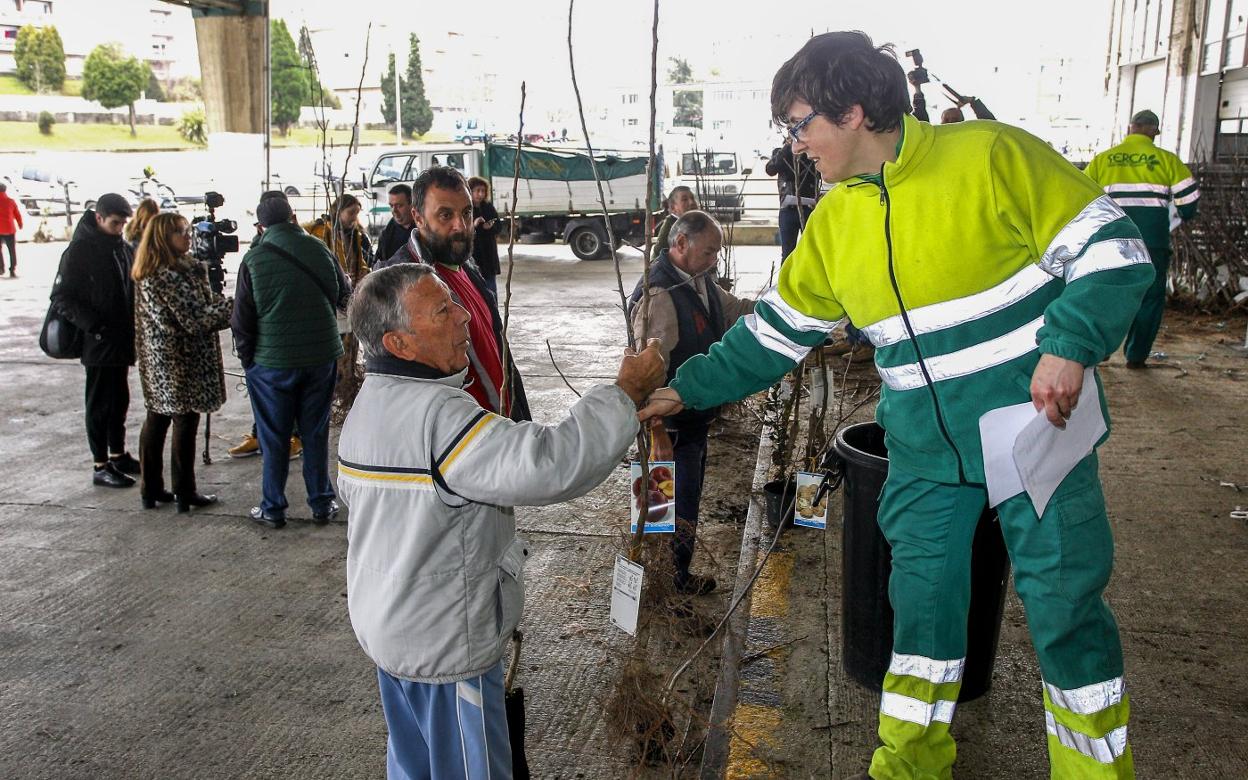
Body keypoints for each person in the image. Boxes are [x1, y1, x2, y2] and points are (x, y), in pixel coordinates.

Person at [640, 32, 1153, 779]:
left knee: (1066, 612)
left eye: (799, 122)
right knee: (920, 619)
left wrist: (1071, 344)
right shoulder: (835, 224)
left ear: (852, 112)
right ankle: (909, 765)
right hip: (923, 454)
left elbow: (1115, 251)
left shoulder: (992, 157)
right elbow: (770, 337)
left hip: (1037, 430)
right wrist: (684, 387)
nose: (795, 142)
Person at [338, 263, 667, 780]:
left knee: (415, 766)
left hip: (391, 632)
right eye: (443, 310)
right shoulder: (439, 417)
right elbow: (552, 464)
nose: (465, 317)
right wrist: (624, 393)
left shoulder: (368, 408)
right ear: (399, 343)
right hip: (444, 647)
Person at [629, 211, 754, 595]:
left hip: (691, 419)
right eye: (710, 251)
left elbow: (733, 310)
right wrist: (656, 432)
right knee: (667, 506)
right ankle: (664, 586)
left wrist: (784, 313)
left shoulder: (697, 280)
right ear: (680, 244)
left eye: (718, 252)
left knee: (684, 500)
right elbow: (647, 369)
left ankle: (675, 578)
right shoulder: (660, 295)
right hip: (669, 427)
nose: (715, 258)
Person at [231, 195, 351, 528]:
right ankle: (322, 503)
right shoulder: (319, 249)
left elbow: (241, 321)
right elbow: (344, 294)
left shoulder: (254, 260)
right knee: (315, 432)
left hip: (272, 364)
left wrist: (249, 362)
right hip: (321, 356)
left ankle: (273, 507)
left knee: (274, 437)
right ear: (294, 217)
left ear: (260, 226)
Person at [374, 165, 531, 422]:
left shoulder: (467, 268)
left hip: (503, 432)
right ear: (419, 216)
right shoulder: (400, 285)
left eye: (467, 213)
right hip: (462, 445)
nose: (461, 226)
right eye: (445, 215)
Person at [1085, 109, 1200, 369]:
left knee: (1105, 291)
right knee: (1149, 296)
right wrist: (1182, 213)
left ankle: (1100, 348)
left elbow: (1081, 196)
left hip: (1109, 241)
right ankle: (1136, 355)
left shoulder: (1104, 160)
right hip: (1152, 241)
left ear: (1131, 128)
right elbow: (1189, 200)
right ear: (1155, 132)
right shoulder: (1167, 160)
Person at [132, 212, 232, 512]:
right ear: (163, 237)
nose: (187, 236)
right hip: (176, 360)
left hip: (166, 359)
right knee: (183, 419)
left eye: (187, 230)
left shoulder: (177, 268)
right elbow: (193, 319)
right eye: (180, 232)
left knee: (159, 418)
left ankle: (152, 489)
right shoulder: (164, 274)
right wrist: (233, 309)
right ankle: (183, 492)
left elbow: (201, 307)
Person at [50, 193, 141, 488]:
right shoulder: (80, 251)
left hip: (120, 340)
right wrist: (95, 327)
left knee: (120, 400)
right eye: (115, 223)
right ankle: (100, 463)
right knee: (100, 402)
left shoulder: (122, 248)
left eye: (123, 223)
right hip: (99, 342)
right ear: (99, 218)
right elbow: (62, 297)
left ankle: (117, 454)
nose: (119, 228)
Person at [230, 190, 303, 460]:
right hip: (266, 339)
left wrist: (246, 356)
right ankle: (260, 434)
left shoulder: (305, 246)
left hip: (287, 339)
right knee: (266, 397)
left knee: (290, 394)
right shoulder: (256, 251)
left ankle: (291, 437)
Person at [765, 141, 820, 261]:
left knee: (811, 251)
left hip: (808, 208)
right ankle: (786, 279)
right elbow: (770, 169)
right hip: (787, 209)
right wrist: (787, 148)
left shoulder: (809, 154)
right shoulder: (782, 153)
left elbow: (819, 174)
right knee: (787, 253)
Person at [305, 193, 372, 286]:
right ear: (337, 211)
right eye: (351, 213)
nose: (354, 218)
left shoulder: (355, 234)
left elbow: (360, 263)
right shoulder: (318, 230)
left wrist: (364, 272)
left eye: (357, 214)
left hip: (350, 287)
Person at [467, 176, 502, 296]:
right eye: (477, 191)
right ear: (469, 191)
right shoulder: (466, 209)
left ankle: (493, 314)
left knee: (491, 290)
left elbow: (499, 226)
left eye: (483, 191)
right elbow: (461, 231)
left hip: (488, 254)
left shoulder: (488, 207)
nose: (480, 194)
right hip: (474, 254)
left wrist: (491, 227)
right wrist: (474, 225)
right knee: (476, 290)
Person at [374, 184, 414, 263]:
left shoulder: (425, 230)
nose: (394, 211)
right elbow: (377, 262)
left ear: (412, 204)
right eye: (391, 206)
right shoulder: (386, 234)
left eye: (399, 206)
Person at [654, 185, 699, 252]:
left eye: (692, 198)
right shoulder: (670, 226)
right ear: (673, 207)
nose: (691, 202)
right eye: (684, 199)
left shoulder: (697, 222)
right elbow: (657, 254)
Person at [0, 182, 23, 278]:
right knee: (12, 251)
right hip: (10, 229)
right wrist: (20, 224)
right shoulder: (10, 201)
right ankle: (12, 270)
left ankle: (1, 268)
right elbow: (17, 214)